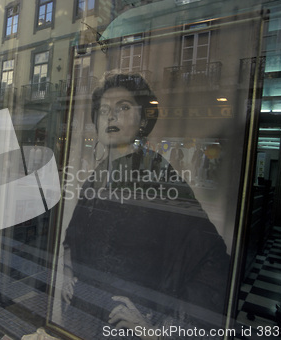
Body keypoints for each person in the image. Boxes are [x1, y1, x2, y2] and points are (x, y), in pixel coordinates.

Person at [61, 73, 230, 338]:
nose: (111, 116)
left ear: (143, 120)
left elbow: (212, 258)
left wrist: (161, 328)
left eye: (123, 108)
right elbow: (74, 236)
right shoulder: (98, 175)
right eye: (104, 110)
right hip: (83, 315)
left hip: (125, 324)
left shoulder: (159, 174)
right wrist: (66, 273)